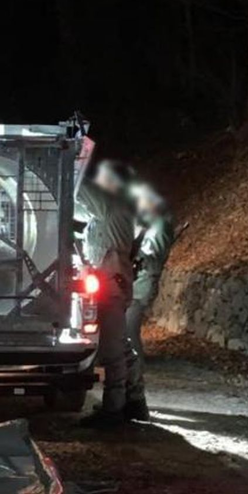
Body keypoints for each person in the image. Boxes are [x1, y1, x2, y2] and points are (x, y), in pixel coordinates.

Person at [75, 160, 139, 428]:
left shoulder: (111, 206)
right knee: (120, 346)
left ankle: (114, 410)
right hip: (115, 282)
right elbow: (81, 211)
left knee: (113, 348)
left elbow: (80, 191)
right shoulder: (112, 209)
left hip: (111, 285)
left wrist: (72, 168)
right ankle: (134, 401)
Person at [126, 182, 175, 409]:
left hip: (140, 287)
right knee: (126, 337)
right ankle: (130, 390)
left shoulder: (159, 225)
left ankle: (134, 392)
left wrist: (135, 255)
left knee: (129, 337)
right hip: (134, 286)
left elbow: (152, 260)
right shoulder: (148, 223)